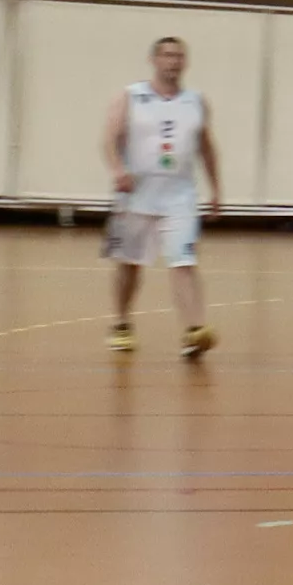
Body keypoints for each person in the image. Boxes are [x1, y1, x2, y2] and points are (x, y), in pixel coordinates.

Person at [101, 35, 223, 360]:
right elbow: (109, 138)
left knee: (183, 261)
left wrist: (216, 189)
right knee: (129, 264)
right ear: (154, 60)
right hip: (135, 195)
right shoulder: (130, 96)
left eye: (179, 56)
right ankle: (121, 323)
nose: (173, 61)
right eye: (167, 55)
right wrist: (117, 169)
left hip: (179, 195)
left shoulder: (197, 101)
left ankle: (194, 330)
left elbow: (207, 148)